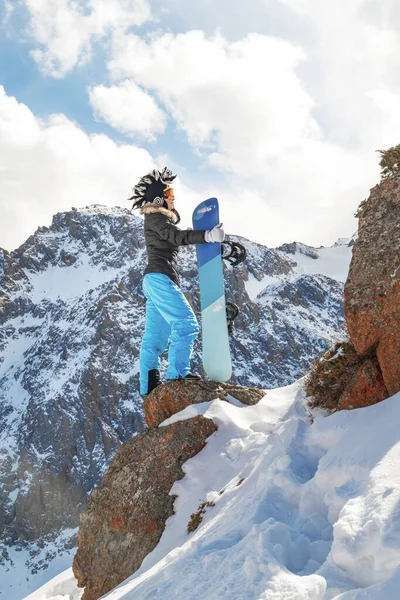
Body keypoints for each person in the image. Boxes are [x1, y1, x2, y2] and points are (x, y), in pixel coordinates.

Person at [129, 167, 225, 396]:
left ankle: (149, 386)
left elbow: (173, 234)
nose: (173, 198)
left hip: (154, 279)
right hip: (160, 278)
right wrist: (206, 236)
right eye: (170, 194)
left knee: (155, 337)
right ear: (160, 199)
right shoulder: (156, 219)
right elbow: (177, 236)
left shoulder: (155, 220)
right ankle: (177, 375)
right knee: (186, 325)